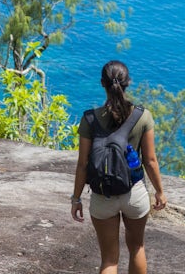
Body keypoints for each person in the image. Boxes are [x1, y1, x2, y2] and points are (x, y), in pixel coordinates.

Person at [71, 60, 167, 274]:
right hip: (134, 193)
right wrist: (160, 191)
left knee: (109, 261)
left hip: (102, 196)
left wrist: (76, 198)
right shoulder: (143, 116)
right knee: (137, 248)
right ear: (127, 83)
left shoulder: (89, 119)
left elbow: (83, 163)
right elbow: (150, 161)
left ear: (102, 84)